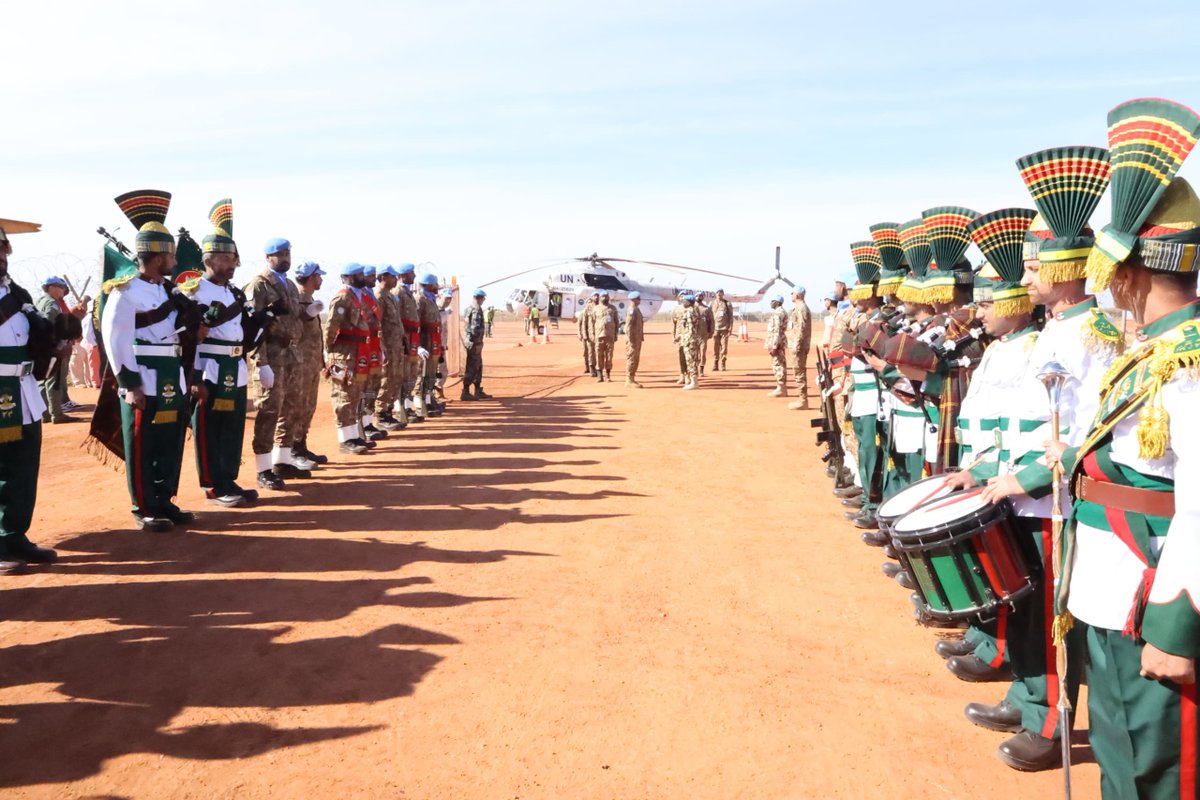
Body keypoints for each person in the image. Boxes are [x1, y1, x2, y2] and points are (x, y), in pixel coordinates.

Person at [1041, 100, 1200, 797]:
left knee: (1156, 773)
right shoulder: (1152, 353)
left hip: (1150, 603)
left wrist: (1178, 622)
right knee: (1119, 759)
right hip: (1108, 592)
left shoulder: (1188, 362)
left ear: (1132, 274)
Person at [940, 207, 1070, 771]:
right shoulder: (1024, 344)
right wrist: (988, 472)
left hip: (1046, 500)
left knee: (1042, 611)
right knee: (1021, 604)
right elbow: (1002, 425)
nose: (986, 307)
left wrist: (1017, 477)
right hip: (1012, 487)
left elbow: (1065, 429)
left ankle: (1047, 718)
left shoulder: (1083, 337)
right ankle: (1025, 697)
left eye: (1036, 266)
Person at [101, 190, 193, 532]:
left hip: (172, 371)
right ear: (157, 255)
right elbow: (116, 338)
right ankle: (144, 507)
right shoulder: (125, 291)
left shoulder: (167, 289)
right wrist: (129, 383)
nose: (174, 259)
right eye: (169, 253)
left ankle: (164, 498)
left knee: (169, 441)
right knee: (143, 444)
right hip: (145, 372)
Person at [188, 199, 257, 508]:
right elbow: (188, 337)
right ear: (209, 259)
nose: (232, 264)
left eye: (234, 258)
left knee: (232, 428)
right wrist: (192, 375)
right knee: (210, 429)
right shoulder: (192, 291)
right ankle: (214, 486)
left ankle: (228, 478)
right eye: (227, 258)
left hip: (234, 365)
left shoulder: (234, 293)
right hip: (209, 368)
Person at [0, 224, 58, 574]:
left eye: (3, 248)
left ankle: (14, 534)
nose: (1, 254)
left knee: (22, 466)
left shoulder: (16, 291)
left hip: (21, 390)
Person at [244, 237, 304, 490]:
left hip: (291, 357)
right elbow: (253, 328)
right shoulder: (258, 286)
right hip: (271, 358)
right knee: (268, 412)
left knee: (291, 409)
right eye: (280, 254)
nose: (285, 257)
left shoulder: (289, 285)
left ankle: (283, 460)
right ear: (268, 257)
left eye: (288, 253)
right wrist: (261, 363)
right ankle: (263, 469)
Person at [324, 263, 372, 454]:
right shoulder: (343, 296)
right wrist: (328, 351)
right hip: (342, 353)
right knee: (343, 394)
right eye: (360, 274)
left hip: (356, 350)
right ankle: (345, 440)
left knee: (354, 393)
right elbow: (331, 326)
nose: (364, 276)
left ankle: (354, 435)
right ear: (349, 277)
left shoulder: (357, 296)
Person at [289, 260, 329, 465]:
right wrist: (304, 315)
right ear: (311, 278)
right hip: (300, 364)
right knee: (297, 406)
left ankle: (301, 446)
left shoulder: (309, 299)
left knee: (308, 406)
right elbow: (292, 330)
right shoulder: (296, 299)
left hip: (312, 363)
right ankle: (293, 451)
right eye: (318, 276)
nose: (321, 279)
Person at [35, 275, 84, 423]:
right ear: (51, 287)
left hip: (40, 348)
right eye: (61, 287)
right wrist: (58, 344)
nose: (63, 291)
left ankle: (45, 414)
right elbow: (50, 325)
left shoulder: (40, 301)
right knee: (54, 380)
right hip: (54, 348)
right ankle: (57, 414)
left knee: (43, 381)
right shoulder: (51, 304)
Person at [374, 265, 407, 430]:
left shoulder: (391, 296)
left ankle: (388, 411)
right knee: (386, 378)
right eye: (393, 277)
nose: (396, 279)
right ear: (384, 277)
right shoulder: (379, 296)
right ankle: (381, 414)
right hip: (387, 345)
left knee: (395, 378)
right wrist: (380, 345)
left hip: (396, 345)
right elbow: (376, 323)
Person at [359, 265, 387, 440]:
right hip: (363, 345)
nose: (373, 279)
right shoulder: (359, 296)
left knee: (372, 386)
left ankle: (368, 422)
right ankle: (360, 425)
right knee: (362, 387)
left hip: (375, 344)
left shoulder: (370, 295)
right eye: (370, 276)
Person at [395, 263, 421, 423]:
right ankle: (400, 409)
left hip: (412, 339)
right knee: (402, 376)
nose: (414, 276)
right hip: (404, 339)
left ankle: (407, 406)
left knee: (411, 375)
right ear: (403, 275)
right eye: (411, 273)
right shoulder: (398, 292)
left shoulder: (407, 292)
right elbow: (396, 320)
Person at [414, 272, 442, 417]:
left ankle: (429, 399)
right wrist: (417, 345)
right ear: (430, 285)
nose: (437, 287)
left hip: (433, 340)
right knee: (422, 373)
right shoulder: (420, 299)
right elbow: (416, 323)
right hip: (425, 340)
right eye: (435, 284)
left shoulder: (431, 299)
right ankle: (420, 403)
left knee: (431, 373)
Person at [462, 288, 491, 399]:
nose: (483, 300)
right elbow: (474, 328)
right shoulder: (476, 309)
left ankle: (477, 389)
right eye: (483, 298)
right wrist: (477, 341)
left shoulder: (469, 308)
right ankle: (465, 391)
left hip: (472, 342)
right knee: (472, 366)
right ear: (479, 298)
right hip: (474, 342)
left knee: (478, 366)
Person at [788, 286, 812, 409]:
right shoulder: (798, 308)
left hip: (799, 346)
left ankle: (803, 400)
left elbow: (801, 329)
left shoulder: (801, 308)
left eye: (792, 293)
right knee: (798, 371)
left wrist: (796, 345)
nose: (791, 295)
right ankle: (801, 398)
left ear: (797, 295)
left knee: (799, 372)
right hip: (797, 345)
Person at [590, 290, 619, 382]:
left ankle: (608, 375)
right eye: (603, 296)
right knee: (599, 355)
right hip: (599, 336)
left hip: (610, 336)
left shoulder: (613, 308)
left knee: (609, 356)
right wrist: (592, 334)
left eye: (606, 296)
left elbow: (616, 322)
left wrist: (615, 334)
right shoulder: (595, 309)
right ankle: (599, 375)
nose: (605, 298)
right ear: (600, 298)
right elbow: (591, 323)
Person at [764, 294, 789, 397]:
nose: (770, 303)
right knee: (780, 363)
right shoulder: (781, 312)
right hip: (779, 341)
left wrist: (774, 345)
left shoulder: (777, 314)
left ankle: (781, 388)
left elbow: (776, 330)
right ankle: (781, 387)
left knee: (778, 364)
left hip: (777, 342)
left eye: (772, 301)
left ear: (778, 302)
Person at [677, 292, 701, 390]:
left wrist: (687, 338)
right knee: (692, 360)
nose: (683, 302)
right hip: (690, 338)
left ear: (689, 302)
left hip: (689, 340)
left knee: (691, 360)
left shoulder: (689, 312)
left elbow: (690, 328)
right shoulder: (693, 310)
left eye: (684, 301)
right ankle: (693, 381)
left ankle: (694, 382)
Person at [711, 288, 733, 371]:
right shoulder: (712, 303)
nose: (719, 295)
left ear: (723, 294)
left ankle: (723, 363)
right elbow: (710, 316)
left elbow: (731, 317)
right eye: (717, 294)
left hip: (724, 328)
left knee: (724, 347)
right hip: (715, 328)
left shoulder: (727, 303)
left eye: (720, 294)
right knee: (715, 346)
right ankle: (715, 363)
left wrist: (730, 328)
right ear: (715, 295)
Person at [671, 290, 690, 383]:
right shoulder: (676, 309)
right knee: (681, 356)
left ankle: (688, 376)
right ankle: (682, 374)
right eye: (681, 296)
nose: (683, 298)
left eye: (685, 296)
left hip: (689, 336)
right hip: (679, 337)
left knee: (689, 356)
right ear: (679, 298)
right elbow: (673, 324)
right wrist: (673, 336)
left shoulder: (691, 308)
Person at [695, 291, 714, 376]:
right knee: (694, 352)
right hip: (693, 334)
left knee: (702, 352)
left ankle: (701, 368)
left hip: (703, 334)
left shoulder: (706, 308)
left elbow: (711, 321)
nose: (700, 297)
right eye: (698, 295)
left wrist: (711, 331)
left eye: (701, 296)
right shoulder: (691, 308)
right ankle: (694, 368)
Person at [578, 293, 597, 375]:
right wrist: (581, 334)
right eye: (588, 302)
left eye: (590, 302)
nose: (589, 303)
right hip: (585, 334)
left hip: (592, 334)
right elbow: (581, 324)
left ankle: (592, 367)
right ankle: (587, 366)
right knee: (586, 352)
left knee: (592, 351)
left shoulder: (595, 310)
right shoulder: (583, 312)